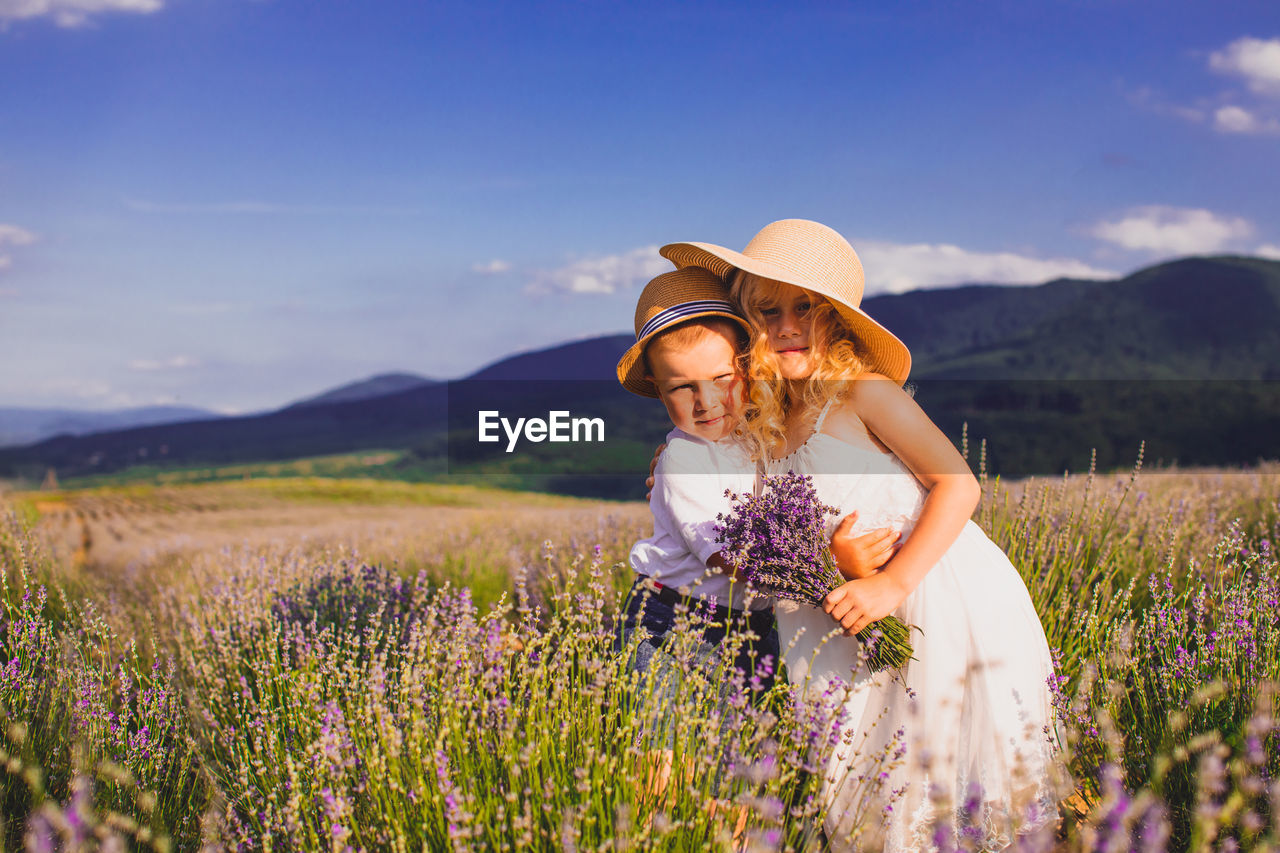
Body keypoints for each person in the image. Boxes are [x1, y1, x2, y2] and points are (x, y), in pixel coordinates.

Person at [660, 219, 1059, 851]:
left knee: (937, 779)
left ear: (837, 320)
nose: (787, 325)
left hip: (929, 593)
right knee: (861, 784)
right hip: (831, 617)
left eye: (806, 309)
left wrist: (893, 583)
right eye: (768, 309)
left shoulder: (862, 392)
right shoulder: (759, 419)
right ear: (745, 319)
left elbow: (959, 485)